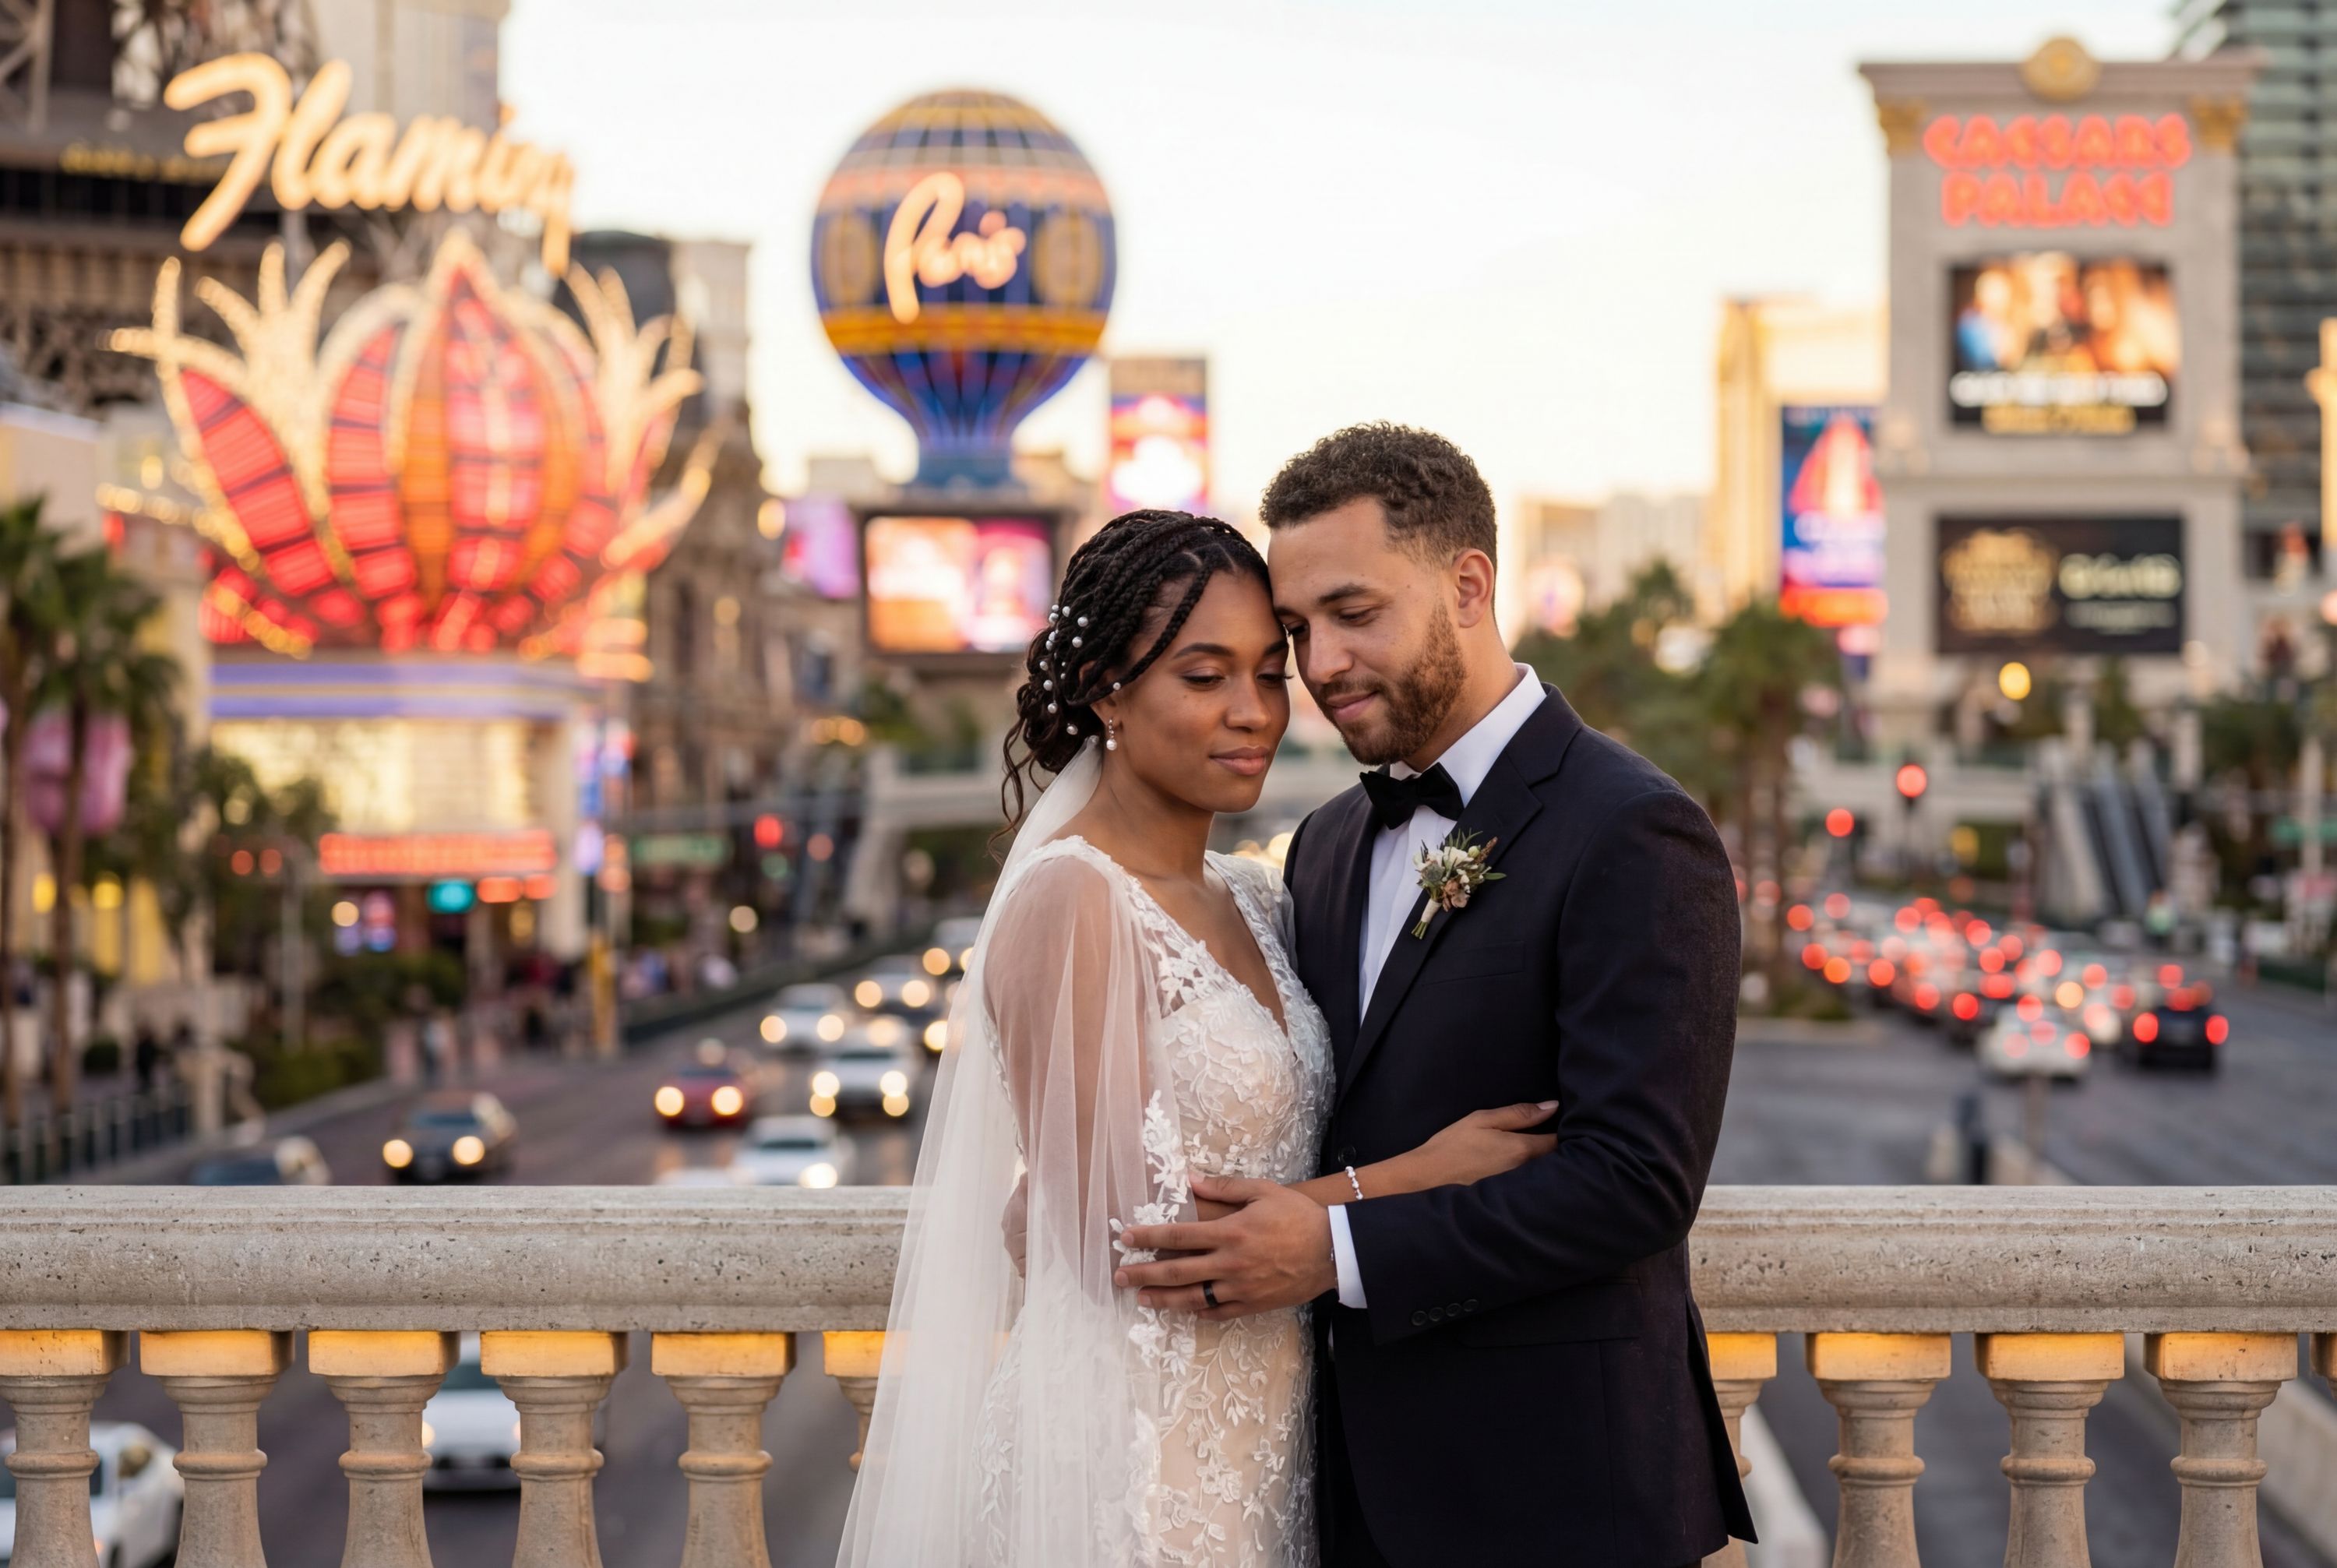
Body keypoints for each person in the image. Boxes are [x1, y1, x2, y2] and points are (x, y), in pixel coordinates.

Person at [838, 509, 1562, 1568]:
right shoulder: (1071, 899)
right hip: (1123, 1468)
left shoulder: (1261, 898)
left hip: (1268, 1445)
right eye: (1204, 674)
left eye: (1271, 673)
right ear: (1105, 692)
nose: (1253, 712)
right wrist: (1419, 1178)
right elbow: (1135, 1245)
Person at [1113, 425, 1753, 1566]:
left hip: (1560, 1498)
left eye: (1356, 614)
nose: (1322, 664)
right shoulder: (1324, 843)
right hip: (1339, 1495)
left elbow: (1637, 1181)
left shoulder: (1634, 829)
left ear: (1469, 585)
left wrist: (1336, 1247)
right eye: (1299, 630)